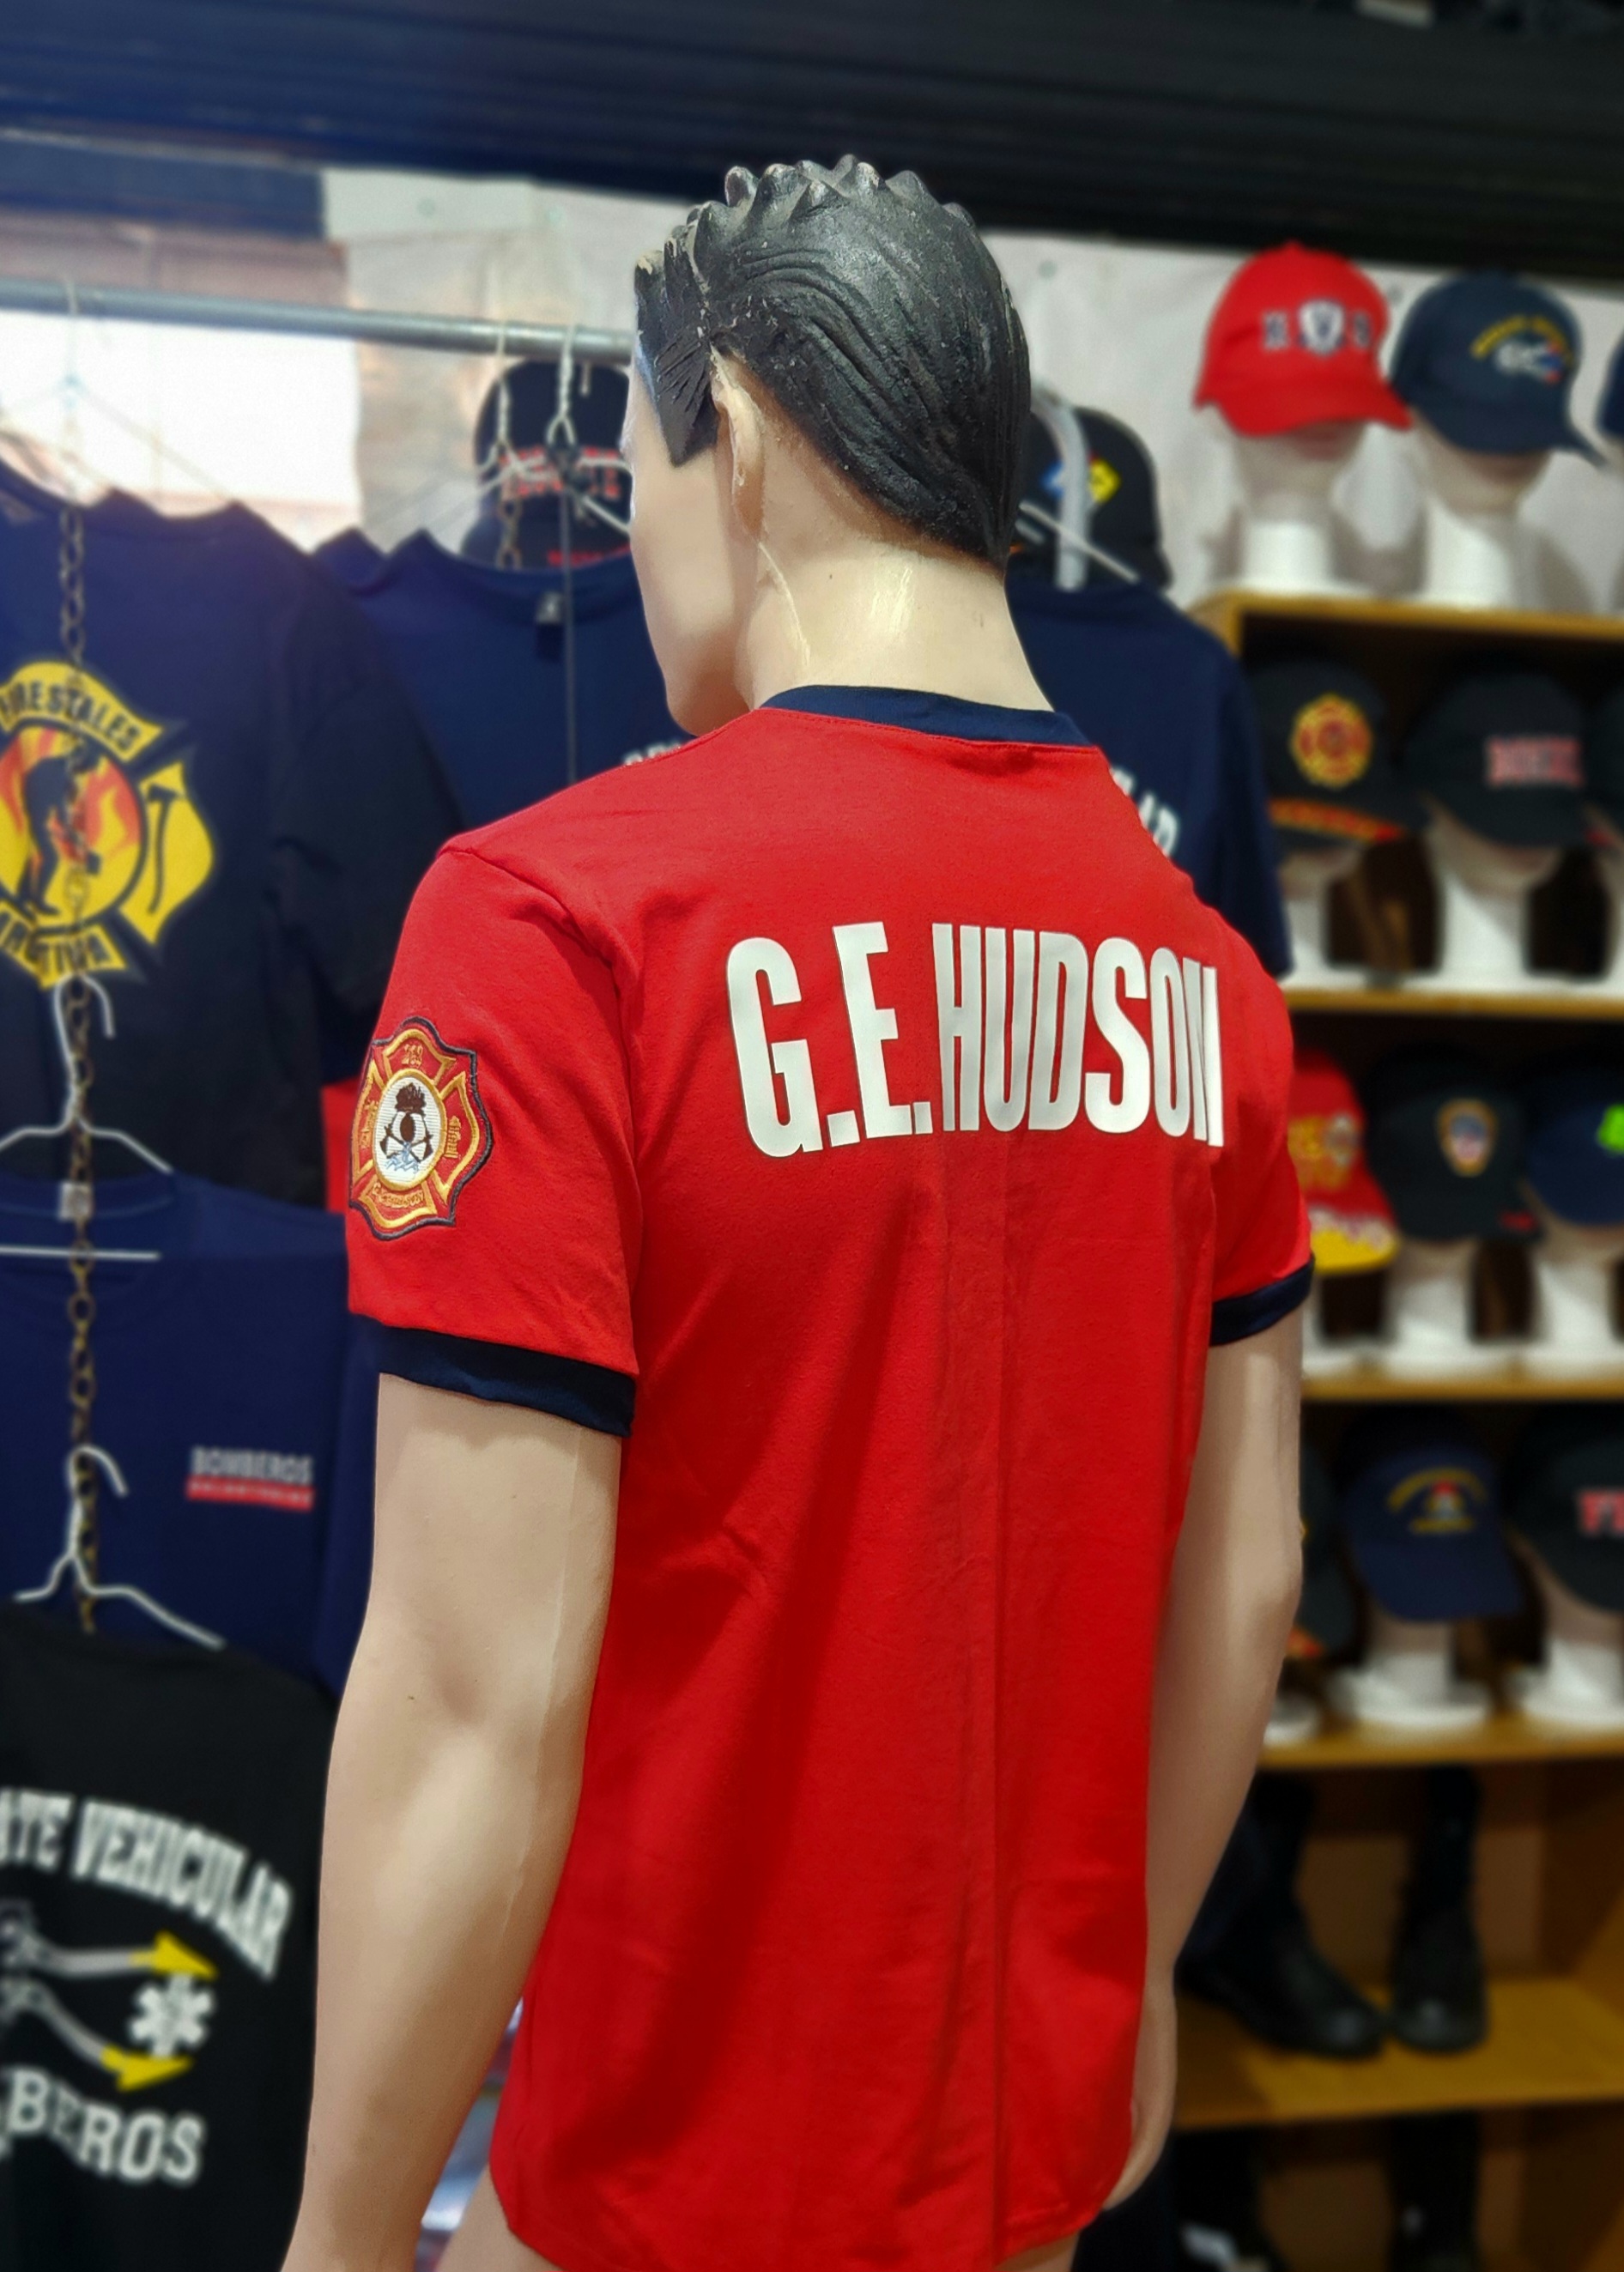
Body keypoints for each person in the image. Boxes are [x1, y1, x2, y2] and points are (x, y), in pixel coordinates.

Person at [282, 157, 1307, 2272]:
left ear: (733, 434)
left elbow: (473, 1699)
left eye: (636, 470)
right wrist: (1124, 1998)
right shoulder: (1202, 974)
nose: (630, 535)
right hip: (1022, 2164)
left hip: (670, 2181)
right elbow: (1244, 1578)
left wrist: (345, 2235)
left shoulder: (557, 921)